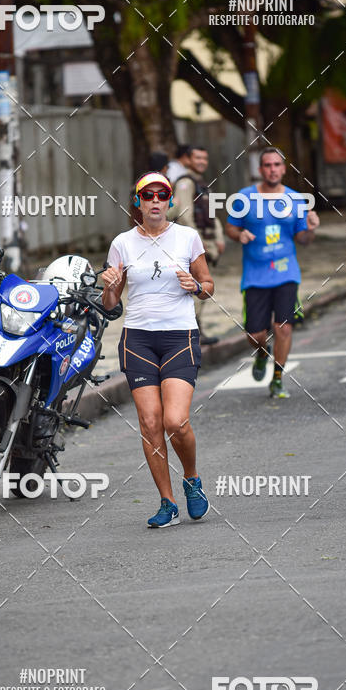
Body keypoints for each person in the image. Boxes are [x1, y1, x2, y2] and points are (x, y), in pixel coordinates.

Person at [101, 172, 213, 529]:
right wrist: (109, 287)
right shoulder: (122, 243)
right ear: (137, 202)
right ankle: (167, 503)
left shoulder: (187, 237)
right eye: (147, 195)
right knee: (150, 424)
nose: (154, 200)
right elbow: (110, 304)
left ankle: (191, 479)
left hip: (179, 337)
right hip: (138, 340)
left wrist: (195, 286)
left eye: (161, 195)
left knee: (174, 421)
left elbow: (208, 285)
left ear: (170, 201)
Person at [225, 147, 320, 398]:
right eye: (267, 165)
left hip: (286, 273)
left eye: (277, 164)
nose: (272, 169)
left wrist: (311, 228)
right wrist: (239, 234)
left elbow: (303, 239)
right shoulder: (244, 198)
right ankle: (261, 353)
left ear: (284, 168)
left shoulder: (295, 199)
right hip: (255, 275)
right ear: (260, 169)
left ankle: (277, 379)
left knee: (283, 328)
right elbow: (230, 228)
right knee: (255, 334)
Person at [168, 146, 225, 344]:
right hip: (195, 244)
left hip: (207, 241)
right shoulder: (186, 182)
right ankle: (192, 335)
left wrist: (219, 238)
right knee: (195, 289)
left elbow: (212, 214)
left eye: (204, 158)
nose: (202, 162)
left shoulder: (203, 184)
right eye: (197, 158)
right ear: (188, 160)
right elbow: (184, 215)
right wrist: (197, 243)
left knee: (201, 288)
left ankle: (196, 333)